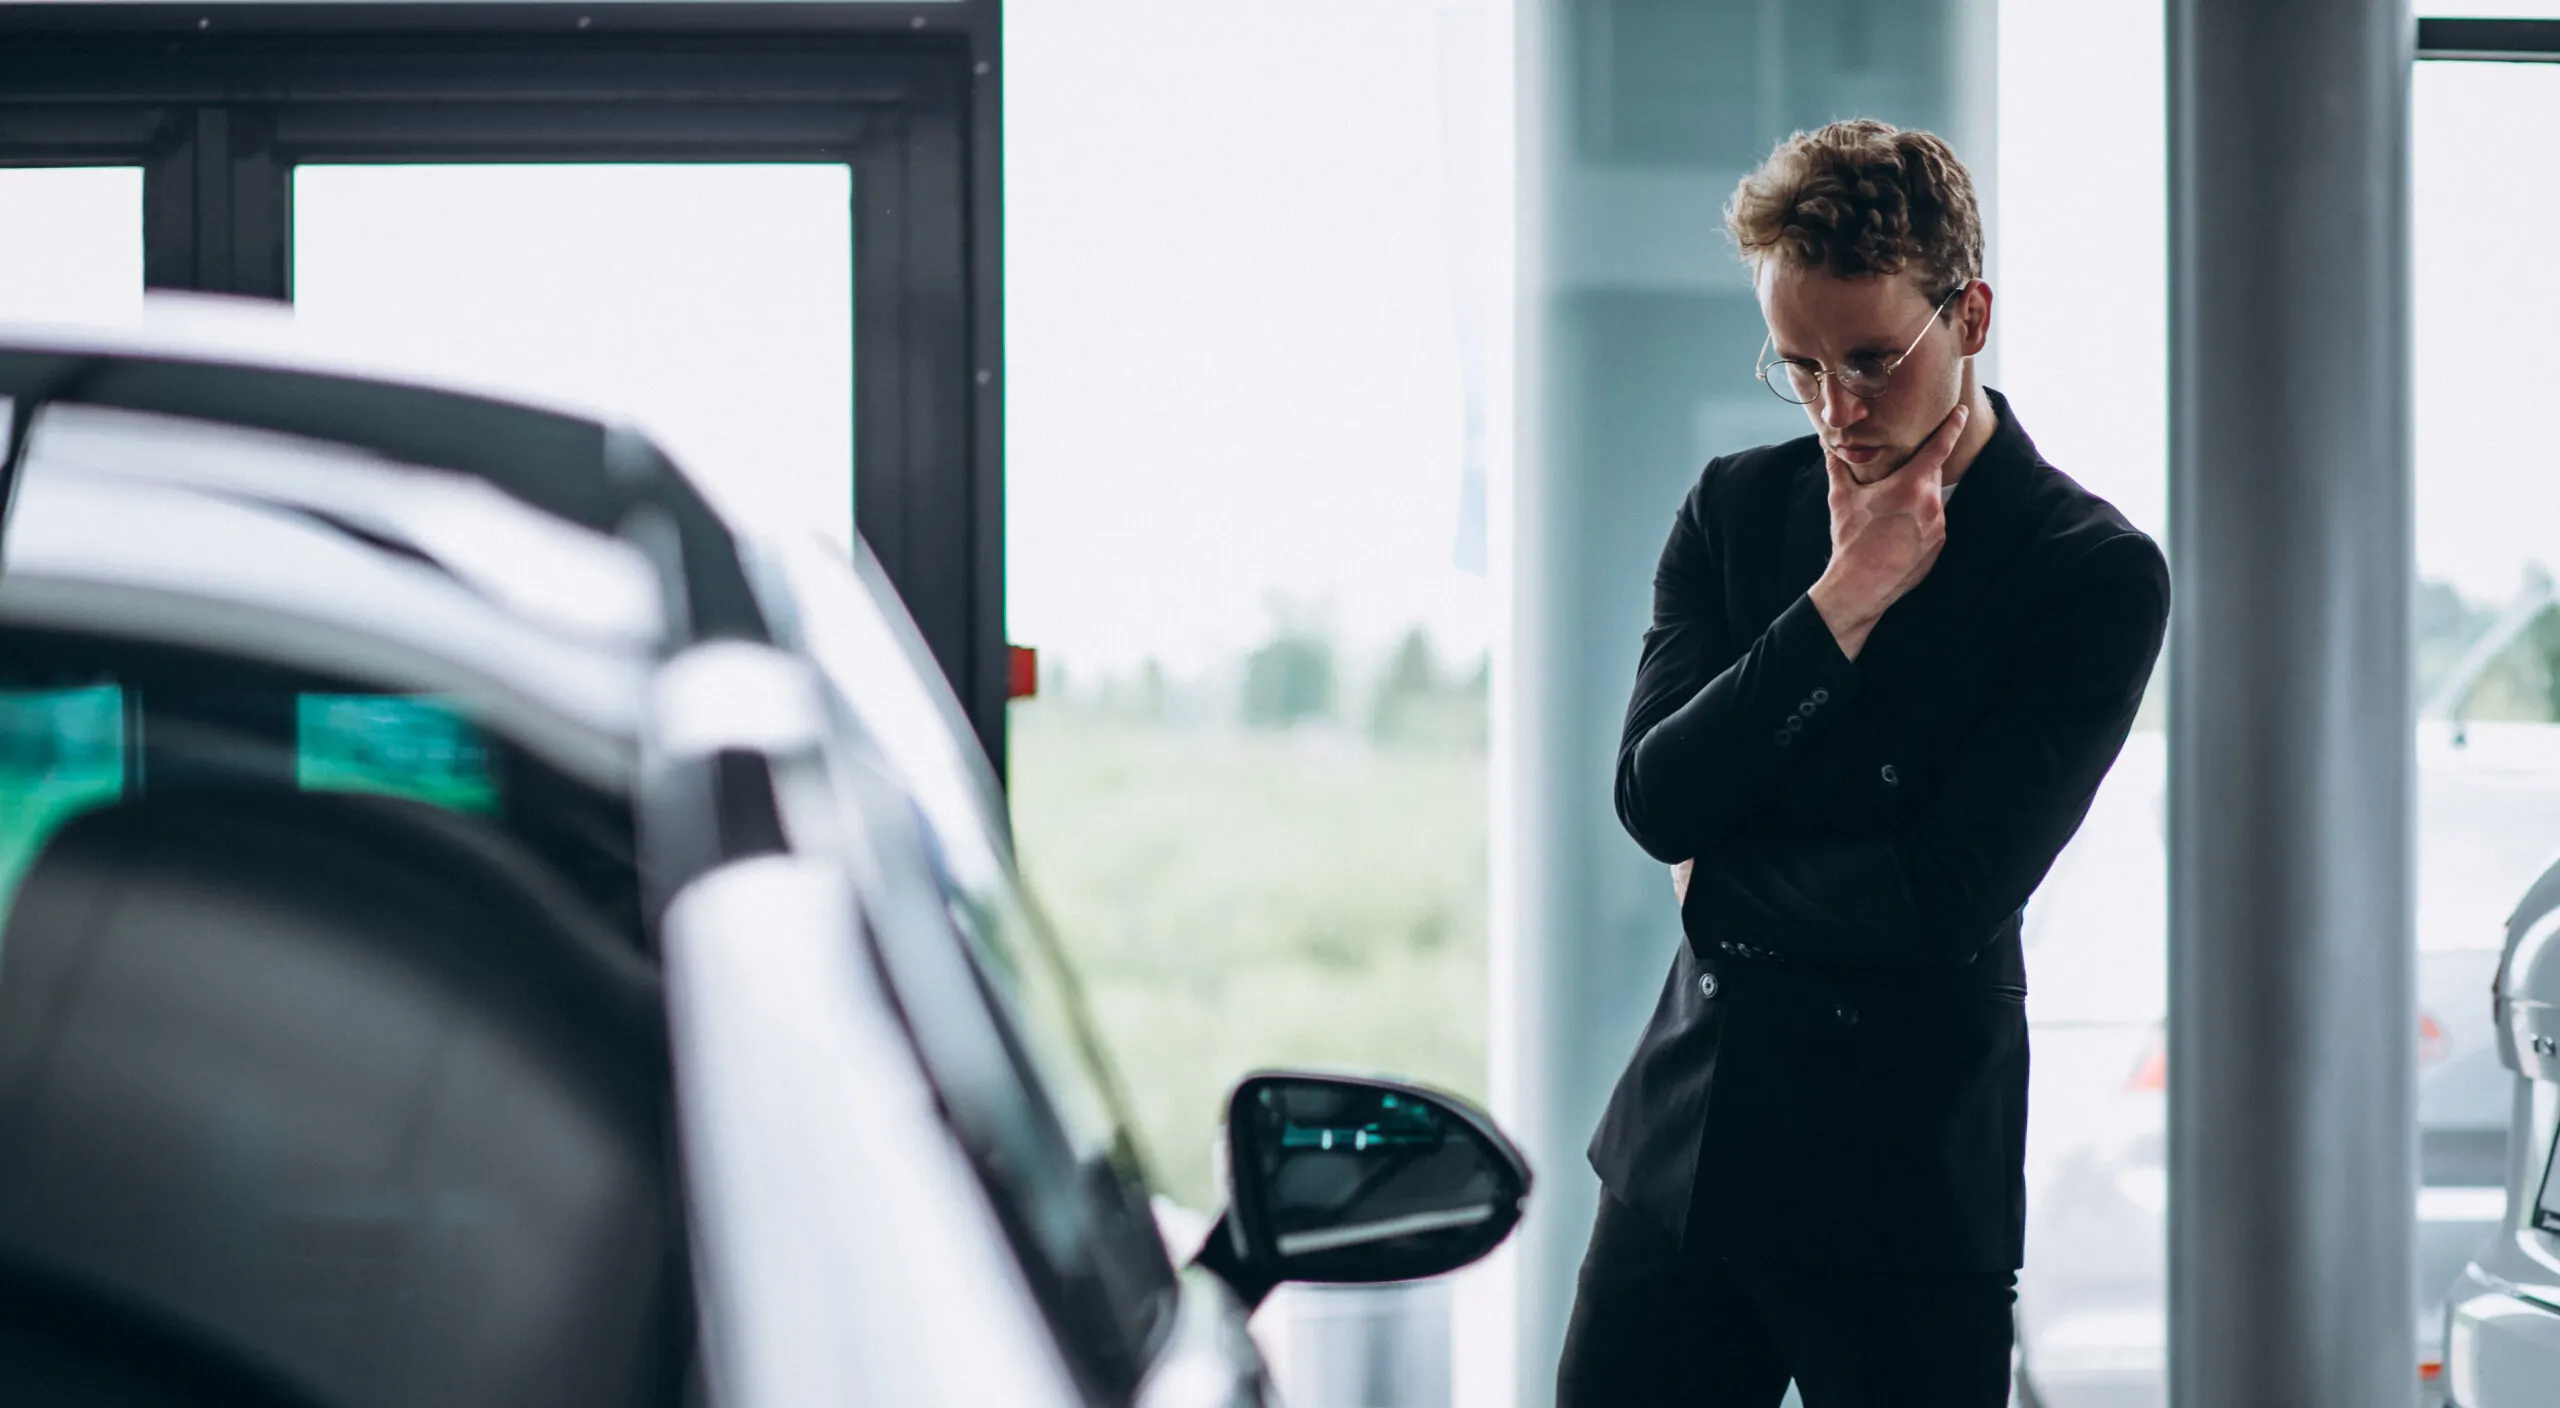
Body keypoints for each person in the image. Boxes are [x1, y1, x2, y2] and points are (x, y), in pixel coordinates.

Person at [1556, 119, 2170, 1407]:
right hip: (1686, 1161)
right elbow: (1655, 798)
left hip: (1903, 1200)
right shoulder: (1734, 510)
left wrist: (1722, 882)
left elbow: (1945, 895)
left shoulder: (2091, 573)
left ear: (1971, 315)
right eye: (1800, 368)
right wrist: (1845, 599)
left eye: (1873, 361)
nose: (1838, 411)